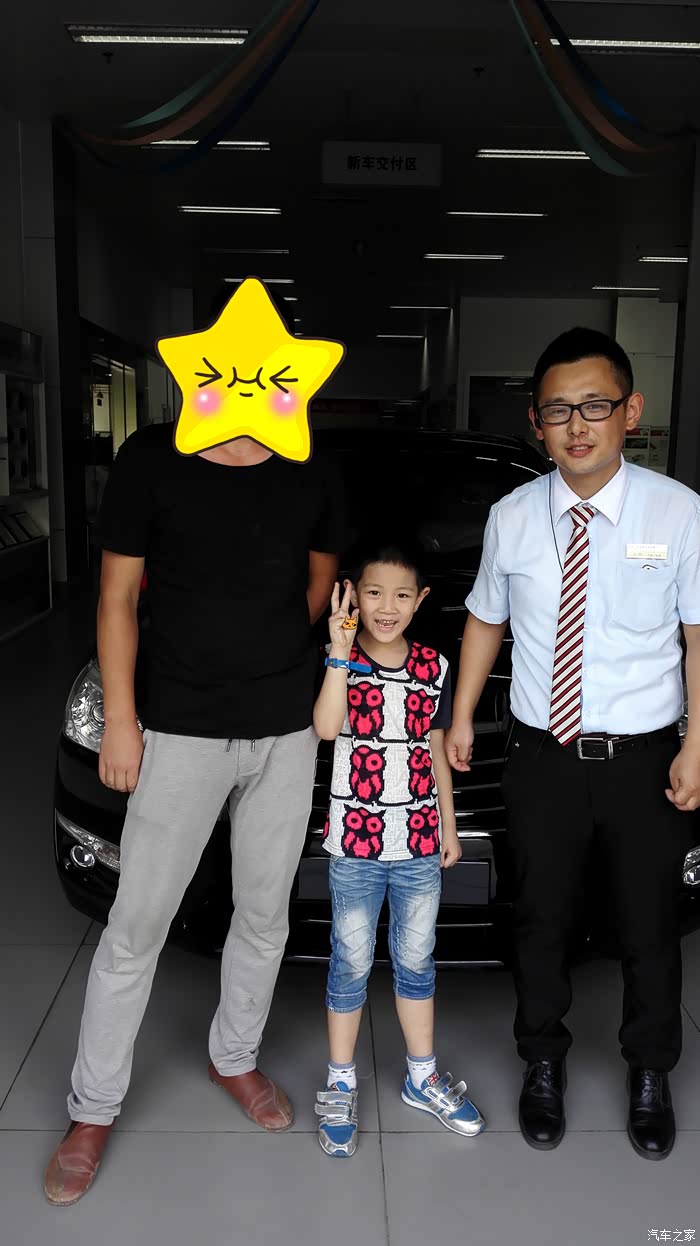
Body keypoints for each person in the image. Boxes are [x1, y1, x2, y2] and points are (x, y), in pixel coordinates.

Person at [44, 421, 345, 1205]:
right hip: (178, 730)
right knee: (136, 925)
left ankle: (234, 1057)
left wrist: (261, 650)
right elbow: (116, 597)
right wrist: (121, 719)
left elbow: (319, 582)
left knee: (264, 914)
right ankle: (93, 1109)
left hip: (285, 731)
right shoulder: (152, 456)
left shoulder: (309, 457)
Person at [446, 327, 700, 1160]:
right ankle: (542, 1061)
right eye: (558, 410)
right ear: (537, 423)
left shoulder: (679, 511)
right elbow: (485, 619)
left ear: (631, 411)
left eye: (595, 405)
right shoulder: (512, 516)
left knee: (648, 924)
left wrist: (698, 744)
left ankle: (650, 1070)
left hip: (646, 759)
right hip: (543, 757)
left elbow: (698, 638)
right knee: (542, 918)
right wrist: (460, 716)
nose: (577, 425)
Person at [312, 548, 485, 1157]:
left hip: (416, 841)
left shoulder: (434, 666)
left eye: (402, 595)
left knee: (416, 961)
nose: (387, 607)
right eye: (374, 593)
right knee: (350, 963)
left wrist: (449, 827)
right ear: (353, 595)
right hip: (355, 843)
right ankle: (340, 1082)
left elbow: (436, 751)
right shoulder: (341, 660)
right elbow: (327, 728)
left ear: (421, 600)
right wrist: (338, 651)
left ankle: (422, 1077)